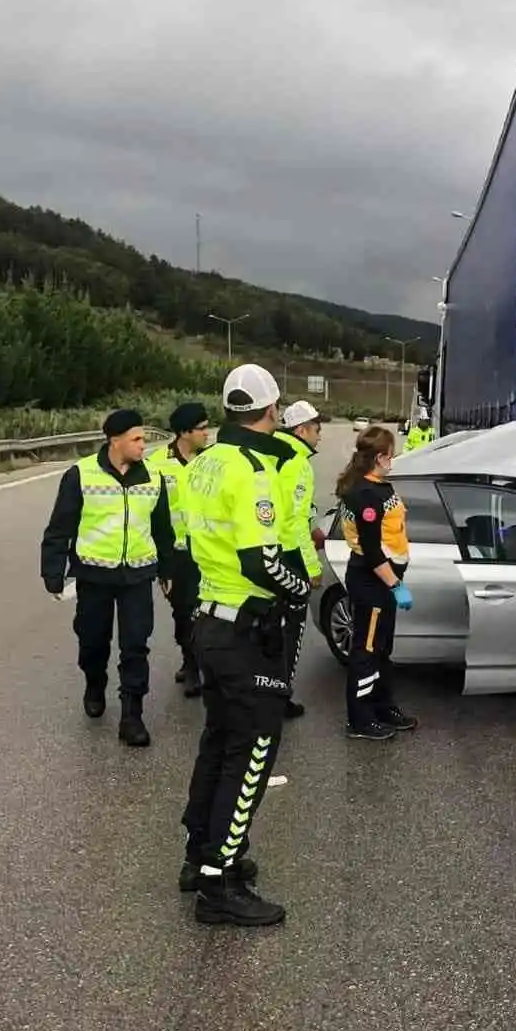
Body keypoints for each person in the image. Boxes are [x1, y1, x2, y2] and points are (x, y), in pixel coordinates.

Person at [180, 365, 311, 926]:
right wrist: (300, 589)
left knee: (219, 741)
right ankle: (220, 880)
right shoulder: (253, 469)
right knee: (253, 750)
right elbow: (261, 558)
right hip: (245, 626)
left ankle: (199, 855)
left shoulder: (204, 461)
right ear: (272, 410)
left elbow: (192, 541)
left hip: (210, 617)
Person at [40, 408, 175, 748]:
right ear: (115, 441)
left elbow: (163, 529)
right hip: (94, 576)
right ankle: (94, 682)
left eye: (144, 437)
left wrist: (167, 570)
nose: (144, 444)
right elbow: (60, 528)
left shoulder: (153, 477)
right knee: (93, 641)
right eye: (137, 439)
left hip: (137, 576)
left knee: (135, 646)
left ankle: (132, 715)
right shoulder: (80, 475)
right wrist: (52, 572)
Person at [336, 426, 417, 741]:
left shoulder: (378, 486)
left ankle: (383, 707)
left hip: (383, 583)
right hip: (372, 582)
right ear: (380, 457)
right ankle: (360, 718)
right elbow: (371, 550)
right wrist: (395, 584)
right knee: (366, 651)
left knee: (382, 649)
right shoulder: (367, 494)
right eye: (391, 454)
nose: (393, 459)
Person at [151, 401, 212, 697]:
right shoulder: (156, 463)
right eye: (201, 428)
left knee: (208, 611)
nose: (207, 433)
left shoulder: (213, 460)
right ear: (184, 432)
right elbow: (149, 510)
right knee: (183, 611)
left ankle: (201, 662)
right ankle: (190, 664)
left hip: (210, 549)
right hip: (177, 553)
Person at [269, 398, 323, 720]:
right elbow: (295, 522)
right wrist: (312, 568)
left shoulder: (271, 453)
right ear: (302, 430)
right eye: (316, 429)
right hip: (289, 557)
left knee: (268, 629)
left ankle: (263, 692)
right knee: (291, 632)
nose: (320, 435)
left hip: (264, 552)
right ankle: (280, 695)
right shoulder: (297, 462)